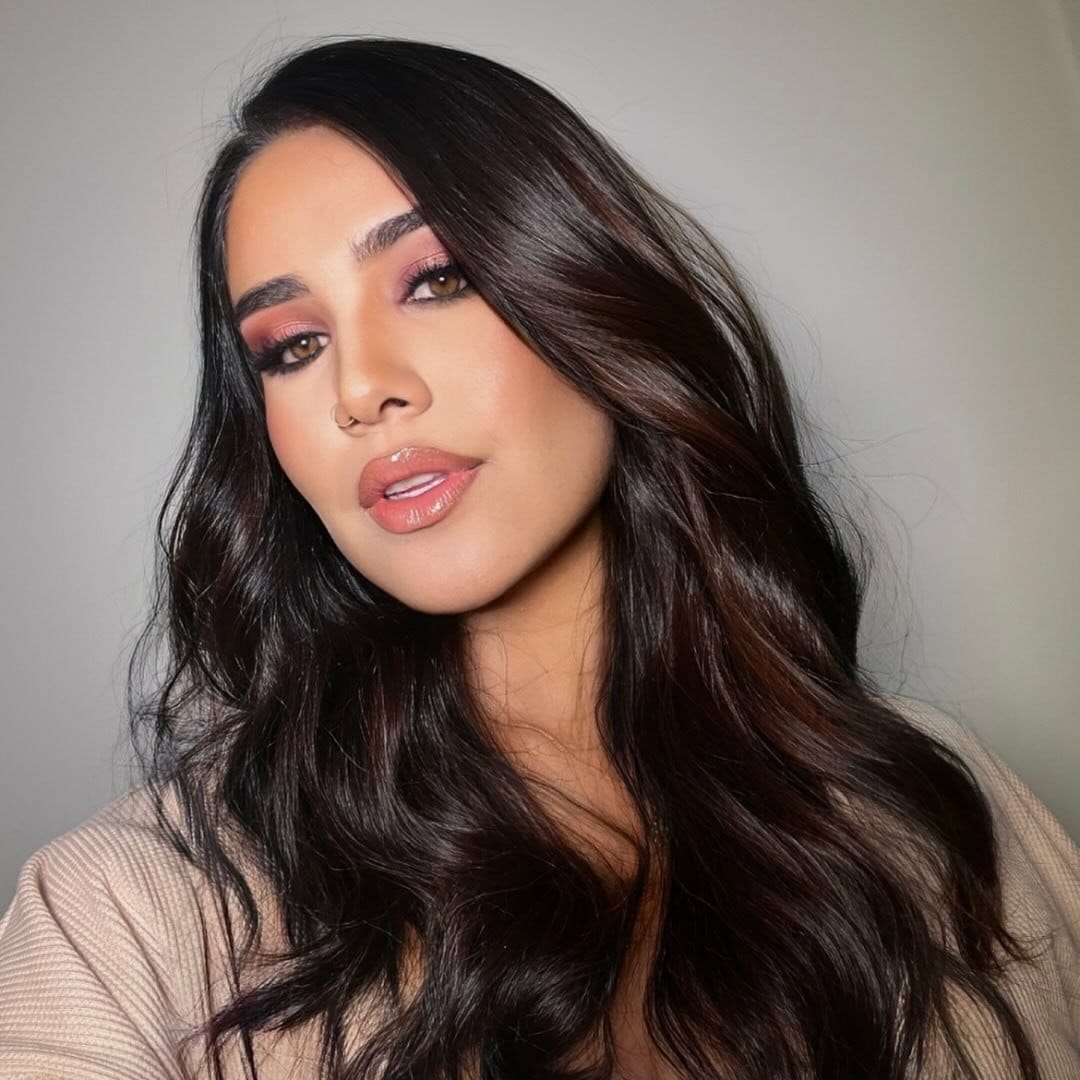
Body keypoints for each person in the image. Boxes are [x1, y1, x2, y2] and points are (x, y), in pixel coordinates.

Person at [0, 35, 1076, 1080]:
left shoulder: (942, 813)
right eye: (294, 346)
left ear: (593, 296)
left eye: (436, 279)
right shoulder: (129, 916)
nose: (360, 388)